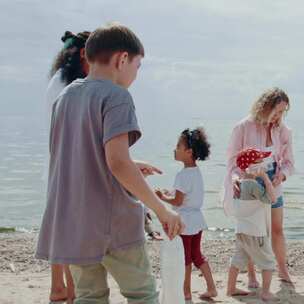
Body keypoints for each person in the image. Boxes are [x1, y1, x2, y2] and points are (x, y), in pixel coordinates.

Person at [36, 23, 184, 304]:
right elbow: (117, 163)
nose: (136, 74)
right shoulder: (117, 97)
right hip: (113, 224)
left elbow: (73, 157)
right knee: (142, 294)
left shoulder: (64, 98)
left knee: (89, 296)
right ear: (122, 59)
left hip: (74, 224)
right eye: (138, 66)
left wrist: (131, 161)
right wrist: (161, 209)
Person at [222, 87, 295, 286]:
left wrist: (283, 175)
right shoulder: (243, 127)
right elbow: (232, 161)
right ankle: (252, 275)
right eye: (277, 111)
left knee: (277, 229)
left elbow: (289, 163)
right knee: (253, 230)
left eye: (283, 112)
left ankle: (282, 270)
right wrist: (236, 179)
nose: (279, 116)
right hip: (249, 182)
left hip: (273, 182)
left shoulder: (283, 131)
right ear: (265, 107)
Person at [45, 30, 90, 304]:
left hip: (55, 160)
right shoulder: (72, 86)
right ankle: (71, 291)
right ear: (85, 54)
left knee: (59, 225)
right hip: (68, 162)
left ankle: (58, 287)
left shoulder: (57, 80)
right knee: (71, 229)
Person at [155, 128, 218, 300]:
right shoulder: (196, 172)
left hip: (185, 222)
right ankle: (211, 287)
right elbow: (186, 196)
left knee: (186, 258)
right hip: (197, 219)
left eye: (178, 146)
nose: (175, 149)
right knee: (197, 255)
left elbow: (178, 202)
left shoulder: (182, 175)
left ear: (189, 152)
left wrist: (162, 197)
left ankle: (186, 291)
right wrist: (171, 194)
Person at [227, 148, 277, 301]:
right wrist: (266, 179)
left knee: (238, 259)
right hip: (256, 233)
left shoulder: (240, 184)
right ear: (251, 166)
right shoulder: (253, 185)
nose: (263, 164)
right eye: (260, 161)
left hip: (241, 231)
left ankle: (230, 288)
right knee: (268, 262)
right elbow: (272, 199)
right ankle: (265, 292)